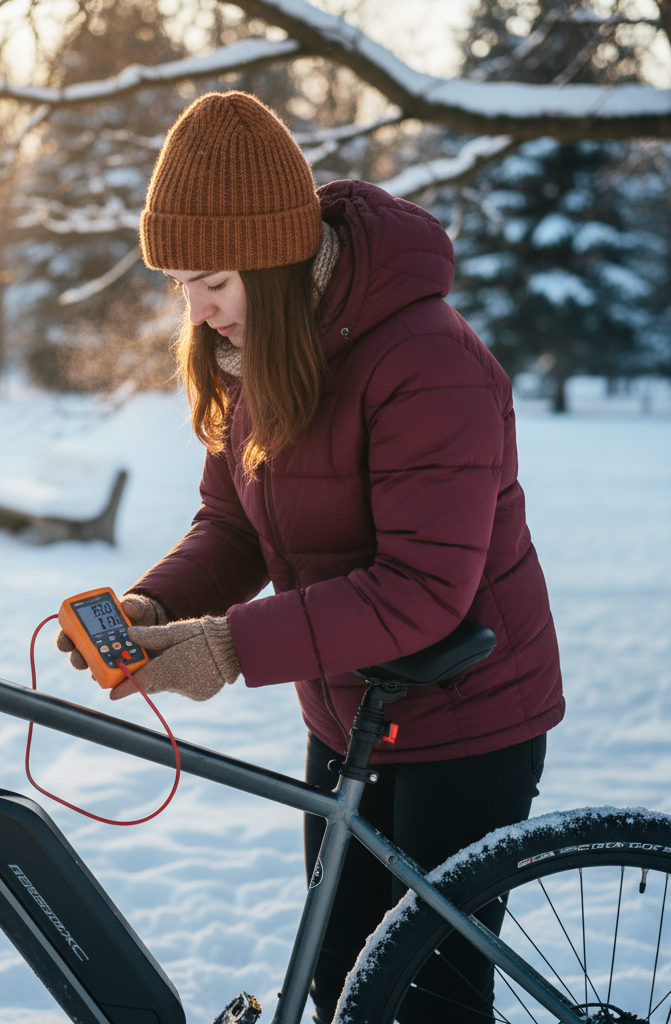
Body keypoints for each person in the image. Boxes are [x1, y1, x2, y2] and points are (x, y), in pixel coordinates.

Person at [57, 90, 563, 1022]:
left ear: (276, 262)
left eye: (214, 281)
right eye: (182, 287)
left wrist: (233, 647)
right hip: (350, 708)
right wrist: (156, 609)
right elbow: (233, 528)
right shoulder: (256, 359)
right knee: (344, 981)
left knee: (430, 1000)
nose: (200, 311)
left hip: (468, 708)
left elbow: (422, 589)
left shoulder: (427, 361)